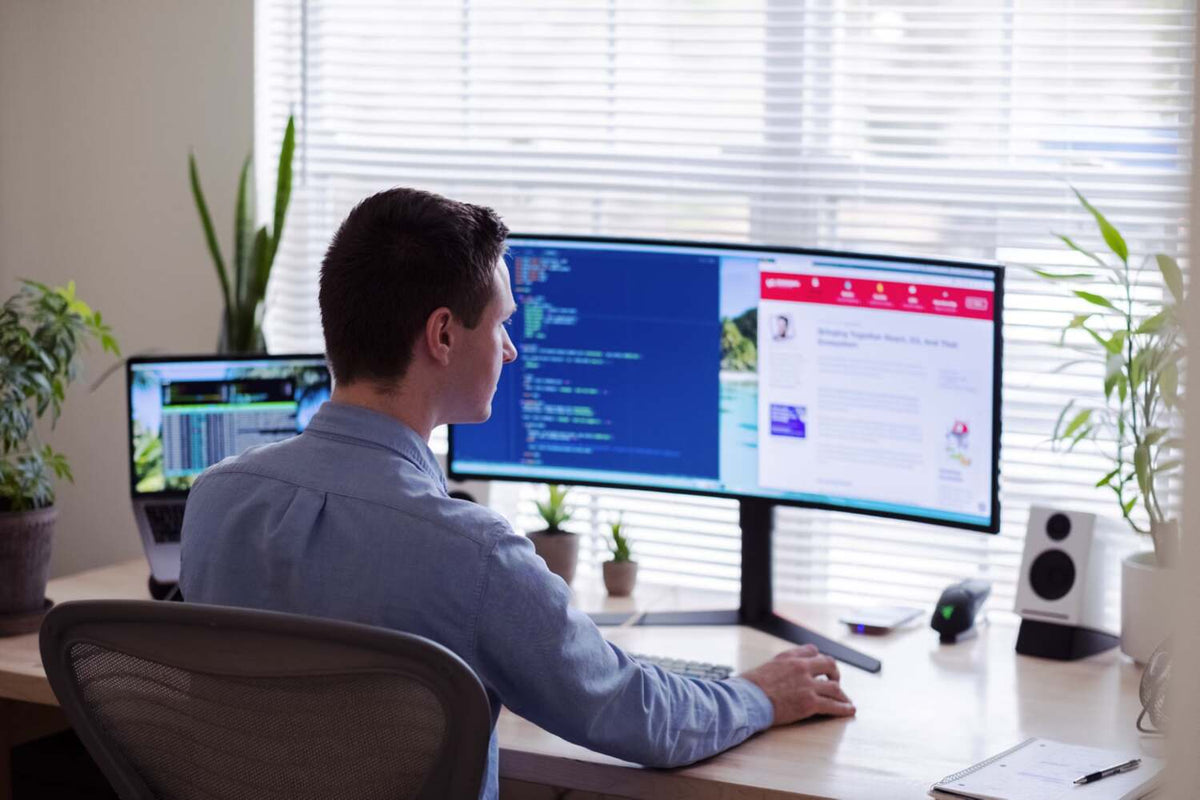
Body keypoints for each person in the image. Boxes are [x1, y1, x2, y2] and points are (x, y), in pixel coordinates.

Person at [180, 187, 854, 800]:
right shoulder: (471, 554)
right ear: (444, 335)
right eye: (501, 324)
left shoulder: (214, 501)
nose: (510, 351)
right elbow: (633, 713)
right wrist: (758, 696)